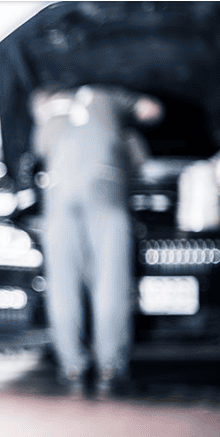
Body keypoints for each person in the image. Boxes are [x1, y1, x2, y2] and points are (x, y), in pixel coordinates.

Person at [31, 85, 162, 396]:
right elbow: (152, 110)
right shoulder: (107, 96)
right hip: (103, 185)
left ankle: (72, 366)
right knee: (111, 281)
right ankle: (110, 368)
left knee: (62, 284)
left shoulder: (47, 115)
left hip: (59, 195)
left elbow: (40, 152)